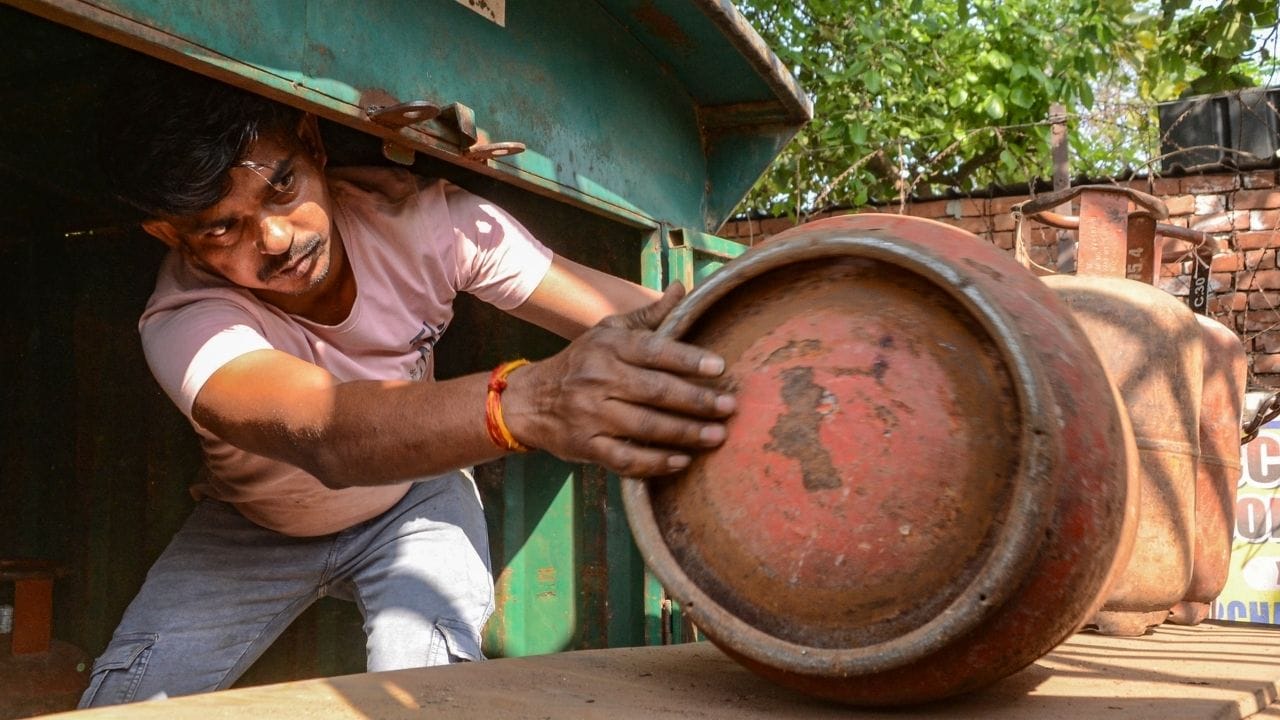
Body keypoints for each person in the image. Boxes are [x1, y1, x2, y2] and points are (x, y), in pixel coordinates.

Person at [79, 62, 734, 707]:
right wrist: (527, 403)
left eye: (282, 187)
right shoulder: (185, 321)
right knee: (122, 702)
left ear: (311, 141)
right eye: (222, 227)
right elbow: (325, 432)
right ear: (170, 234)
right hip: (252, 524)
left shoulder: (431, 225)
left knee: (427, 687)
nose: (275, 238)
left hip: (415, 500)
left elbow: (669, 325)